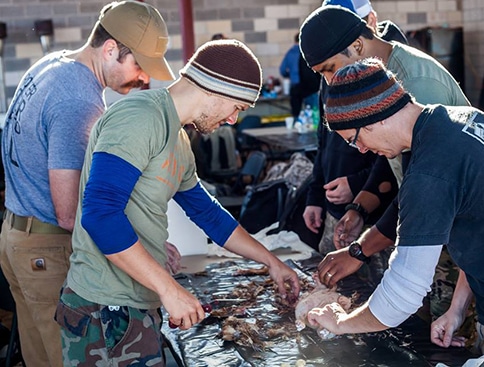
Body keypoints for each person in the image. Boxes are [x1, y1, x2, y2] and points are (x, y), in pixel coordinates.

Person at [54, 39, 301, 365]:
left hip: (138, 301)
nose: (232, 121)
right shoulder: (139, 117)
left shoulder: (179, 139)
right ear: (216, 90)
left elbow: (208, 213)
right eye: (237, 108)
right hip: (104, 308)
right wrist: (170, 289)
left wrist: (271, 261)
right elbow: (100, 214)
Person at [309, 57, 484, 367]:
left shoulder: (430, 172)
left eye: (354, 140)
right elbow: (483, 228)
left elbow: (402, 295)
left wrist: (339, 322)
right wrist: (457, 308)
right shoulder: (467, 120)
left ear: (373, 119)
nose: (363, 150)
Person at [0, 2, 174, 366]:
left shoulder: (53, 64)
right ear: (110, 49)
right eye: (139, 64)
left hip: (18, 237)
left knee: (40, 358)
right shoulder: (78, 99)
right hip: (48, 251)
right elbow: (70, 212)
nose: (144, 79)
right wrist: (143, 248)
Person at [299, 5, 470, 305]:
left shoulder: (417, 86)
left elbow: (427, 192)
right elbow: (393, 162)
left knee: (444, 327)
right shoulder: (380, 73)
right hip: (430, 220)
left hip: (455, 232)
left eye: (329, 68)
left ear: (357, 45)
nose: (329, 81)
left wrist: (360, 250)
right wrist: (360, 209)